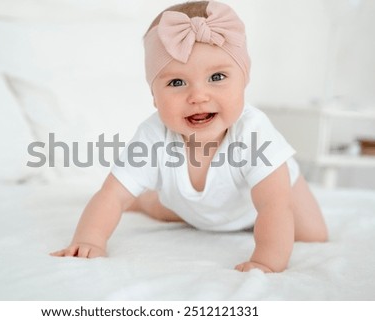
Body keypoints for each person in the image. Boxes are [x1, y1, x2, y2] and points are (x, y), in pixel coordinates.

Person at [51, 0, 328, 273]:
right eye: (176, 82)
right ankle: (145, 201)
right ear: (154, 96)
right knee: (163, 207)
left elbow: (273, 205)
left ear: (244, 79)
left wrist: (266, 261)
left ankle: (160, 202)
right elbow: (111, 195)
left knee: (312, 234)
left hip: (262, 202)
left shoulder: (253, 131)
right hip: (196, 207)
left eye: (217, 77)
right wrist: (89, 240)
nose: (197, 96)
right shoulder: (153, 134)